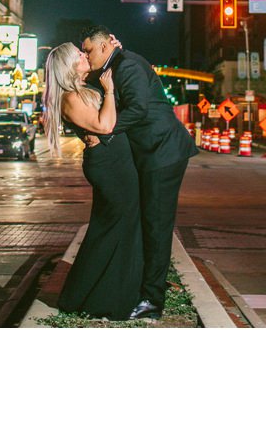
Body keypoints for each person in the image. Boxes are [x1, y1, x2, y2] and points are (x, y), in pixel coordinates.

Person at [79, 25, 197, 321]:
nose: (85, 55)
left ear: (105, 46)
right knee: (148, 223)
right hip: (151, 154)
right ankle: (145, 287)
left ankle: (152, 302)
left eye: (88, 50)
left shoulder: (127, 65)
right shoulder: (114, 65)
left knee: (156, 226)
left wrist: (103, 132)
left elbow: (138, 110)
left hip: (162, 153)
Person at [42, 42, 145, 320]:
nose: (85, 56)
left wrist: (114, 50)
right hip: (108, 164)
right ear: (69, 65)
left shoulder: (82, 90)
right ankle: (98, 299)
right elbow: (104, 126)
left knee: (114, 228)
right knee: (113, 230)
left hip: (115, 162)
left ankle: (98, 295)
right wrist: (109, 91)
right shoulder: (69, 98)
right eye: (79, 55)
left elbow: (108, 76)